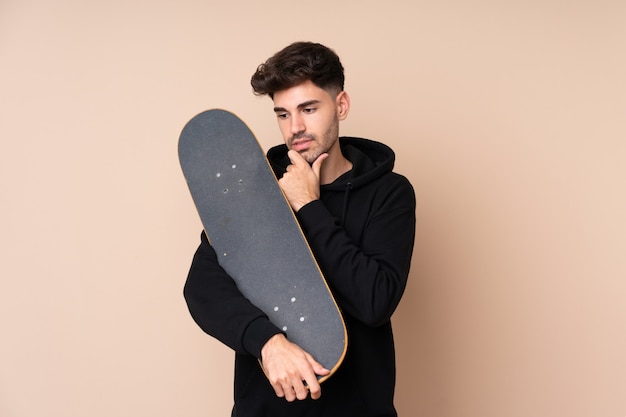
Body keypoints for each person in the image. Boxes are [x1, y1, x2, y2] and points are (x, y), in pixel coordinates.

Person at [184, 41, 416, 417]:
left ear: (340, 105)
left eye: (309, 109)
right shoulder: (252, 191)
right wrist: (267, 342)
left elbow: (375, 300)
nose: (295, 128)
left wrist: (308, 206)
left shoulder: (388, 193)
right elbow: (202, 288)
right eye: (282, 114)